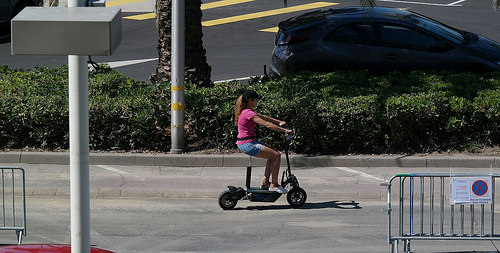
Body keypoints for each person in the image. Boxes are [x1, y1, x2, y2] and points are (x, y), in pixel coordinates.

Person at [234, 90, 293, 193]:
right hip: (248, 144)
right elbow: (267, 124)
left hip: (248, 142)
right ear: (250, 100)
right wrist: (285, 130)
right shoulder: (248, 113)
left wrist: (279, 122)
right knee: (276, 156)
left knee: (273, 155)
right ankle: (274, 185)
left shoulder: (247, 111)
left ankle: (265, 182)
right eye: (256, 100)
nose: (257, 101)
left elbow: (264, 117)